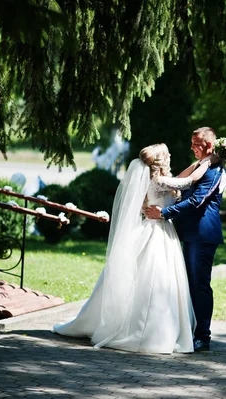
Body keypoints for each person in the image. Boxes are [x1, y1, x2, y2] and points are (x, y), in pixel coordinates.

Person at [52, 143, 213, 354]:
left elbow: (182, 176)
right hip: (159, 232)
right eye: (168, 153)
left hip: (151, 228)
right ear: (161, 161)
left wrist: (196, 164)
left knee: (144, 277)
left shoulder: (153, 179)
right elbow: (188, 181)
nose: (171, 154)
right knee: (155, 279)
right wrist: (208, 162)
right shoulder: (161, 181)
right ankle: (148, 331)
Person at [145, 127, 226, 352]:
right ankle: (188, 330)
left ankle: (203, 336)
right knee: (187, 283)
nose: (192, 147)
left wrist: (164, 213)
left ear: (209, 146)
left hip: (202, 234)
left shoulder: (214, 170)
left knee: (199, 284)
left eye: (196, 144)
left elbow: (197, 202)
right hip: (190, 233)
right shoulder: (203, 165)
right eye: (191, 142)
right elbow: (183, 182)